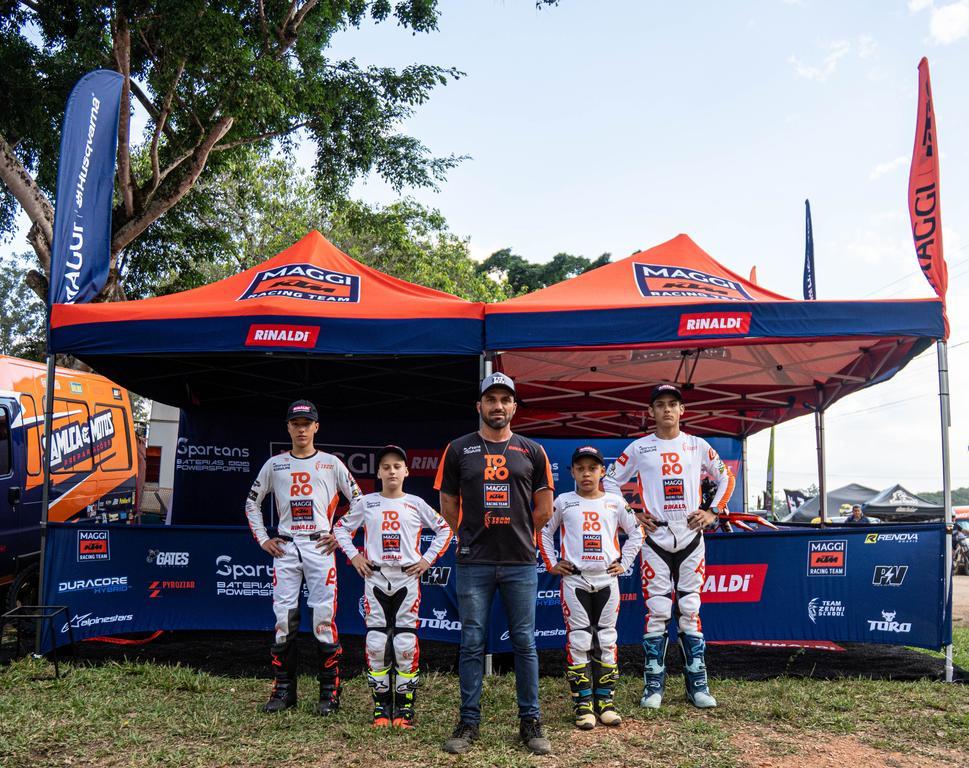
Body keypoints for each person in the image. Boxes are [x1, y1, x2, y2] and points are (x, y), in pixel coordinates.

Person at [434, 372, 555, 756]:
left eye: (505, 399)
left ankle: (530, 722)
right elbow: (448, 504)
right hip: (474, 562)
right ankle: (468, 722)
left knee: (524, 643)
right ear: (479, 406)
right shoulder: (457, 449)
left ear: (514, 407)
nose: (498, 406)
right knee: (471, 643)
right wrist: (470, 534)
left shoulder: (532, 451)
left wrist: (517, 531)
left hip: (520, 561)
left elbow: (545, 508)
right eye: (491, 399)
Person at [603, 383, 734, 710]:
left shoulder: (697, 445)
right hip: (655, 538)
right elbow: (608, 481)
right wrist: (631, 516)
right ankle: (653, 686)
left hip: (690, 536)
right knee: (658, 611)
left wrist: (713, 511)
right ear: (651, 412)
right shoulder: (639, 448)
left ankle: (697, 685)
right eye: (659, 404)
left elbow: (725, 478)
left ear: (682, 410)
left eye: (672, 404)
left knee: (690, 609)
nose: (666, 410)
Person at [245, 399, 363, 715]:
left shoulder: (331, 463)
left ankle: (329, 694)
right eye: (296, 424)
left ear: (316, 427)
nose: (301, 429)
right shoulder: (275, 464)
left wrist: (339, 534)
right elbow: (251, 504)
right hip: (285, 548)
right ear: (288, 427)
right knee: (284, 620)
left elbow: (360, 503)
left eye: (306, 423)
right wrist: (263, 539)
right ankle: (284, 692)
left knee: (324, 620)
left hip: (319, 548)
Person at [332, 445, 452, 729]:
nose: (392, 471)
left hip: (406, 578)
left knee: (405, 643)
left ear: (406, 471)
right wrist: (355, 555)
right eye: (386, 467)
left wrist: (426, 560)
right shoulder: (366, 502)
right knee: (376, 643)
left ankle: (405, 710)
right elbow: (340, 528)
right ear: (378, 472)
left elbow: (445, 529)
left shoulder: (416, 502)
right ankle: (381, 709)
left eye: (397, 466)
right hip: (375, 576)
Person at [539, 445, 643, 730]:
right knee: (580, 641)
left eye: (593, 468)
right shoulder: (563, 501)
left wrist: (625, 562)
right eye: (581, 468)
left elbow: (637, 533)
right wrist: (551, 564)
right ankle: (583, 705)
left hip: (607, 579)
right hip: (576, 579)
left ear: (601, 471)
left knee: (607, 640)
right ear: (572, 471)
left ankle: (606, 704)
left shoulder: (615, 502)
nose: (587, 474)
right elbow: (544, 533)